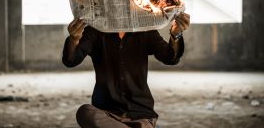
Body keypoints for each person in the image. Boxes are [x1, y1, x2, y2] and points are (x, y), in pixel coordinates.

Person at [62, 13, 190, 128]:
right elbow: (71, 60)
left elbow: (170, 58)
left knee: (143, 124)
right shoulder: (95, 31)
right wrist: (74, 39)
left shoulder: (145, 30)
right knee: (85, 112)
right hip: (107, 113)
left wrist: (176, 33)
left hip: (140, 113)